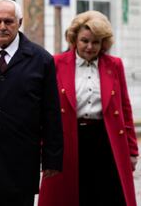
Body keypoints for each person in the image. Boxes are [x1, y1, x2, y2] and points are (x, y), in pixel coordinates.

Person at [0, 0, 63, 206]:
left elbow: (51, 112)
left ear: (20, 22)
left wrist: (52, 158)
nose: (2, 27)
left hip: (21, 160)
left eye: (8, 22)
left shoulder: (41, 59)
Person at [38, 11, 139, 206]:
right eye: (85, 41)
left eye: (96, 42)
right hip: (68, 138)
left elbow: (125, 108)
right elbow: (46, 109)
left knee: (104, 195)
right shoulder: (56, 63)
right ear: (74, 38)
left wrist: (132, 151)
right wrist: (45, 149)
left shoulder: (114, 65)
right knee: (69, 196)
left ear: (104, 43)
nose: (90, 47)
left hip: (105, 140)